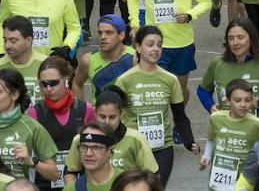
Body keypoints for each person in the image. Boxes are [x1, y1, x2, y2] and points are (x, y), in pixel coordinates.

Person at [111, 26, 194, 183]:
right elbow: (114, 117)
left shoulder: (170, 79)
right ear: (137, 47)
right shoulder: (124, 80)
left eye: (159, 45)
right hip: (132, 147)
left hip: (162, 148)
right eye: (150, 44)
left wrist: (190, 141)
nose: (156, 49)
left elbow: (180, 115)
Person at [25, 56, 93, 191]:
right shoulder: (34, 113)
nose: (49, 88)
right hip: (45, 182)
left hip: (79, 182)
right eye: (44, 84)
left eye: (54, 83)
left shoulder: (85, 109)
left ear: (66, 79)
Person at [61, 86, 159, 179]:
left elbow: (153, 175)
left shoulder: (137, 139)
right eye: (102, 117)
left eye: (112, 117)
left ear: (121, 114)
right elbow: (70, 172)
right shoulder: (80, 139)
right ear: (95, 112)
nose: (107, 122)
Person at [196, 18, 259, 115]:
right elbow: (203, 90)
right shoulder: (218, 63)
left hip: (257, 128)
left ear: (251, 39)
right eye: (231, 38)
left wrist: (258, 104)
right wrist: (211, 106)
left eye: (240, 37)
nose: (235, 43)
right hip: (225, 127)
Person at [198, 79, 259, 191]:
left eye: (247, 100)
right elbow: (210, 138)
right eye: (237, 100)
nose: (243, 105)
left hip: (246, 183)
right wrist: (206, 156)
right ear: (228, 101)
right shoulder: (216, 118)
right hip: (219, 181)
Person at [70, 122, 120, 191]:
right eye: (84, 147)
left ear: (109, 151)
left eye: (96, 147)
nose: (88, 153)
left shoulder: (128, 184)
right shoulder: (72, 188)